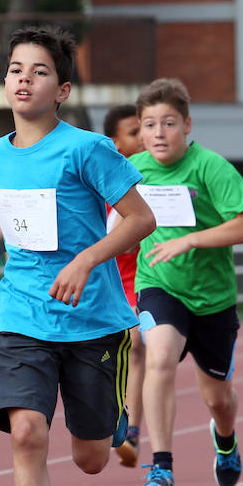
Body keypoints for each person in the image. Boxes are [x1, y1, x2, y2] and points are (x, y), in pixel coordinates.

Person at [0, 25, 155, 486]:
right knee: (26, 434)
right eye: (15, 69)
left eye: (38, 70)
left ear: (63, 87)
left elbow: (140, 218)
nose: (23, 78)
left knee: (93, 458)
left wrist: (86, 258)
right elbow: (15, 216)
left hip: (93, 321)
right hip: (23, 313)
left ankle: (115, 425)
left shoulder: (88, 150)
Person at [132, 77, 243, 486]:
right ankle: (162, 468)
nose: (158, 133)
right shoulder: (132, 169)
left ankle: (225, 439)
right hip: (159, 285)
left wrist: (190, 238)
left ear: (187, 125)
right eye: (149, 124)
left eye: (168, 123)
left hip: (212, 298)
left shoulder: (211, 167)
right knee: (160, 357)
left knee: (218, 400)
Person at [103, 104, 145, 467]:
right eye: (135, 133)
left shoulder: (158, 183)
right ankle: (114, 416)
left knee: (137, 343)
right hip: (101, 280)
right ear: (115, 143)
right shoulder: (100, 183)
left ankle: (131, 427)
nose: (145, 138)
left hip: (139, 282)